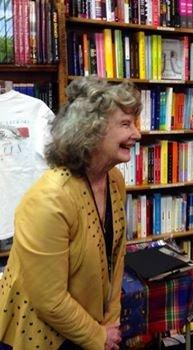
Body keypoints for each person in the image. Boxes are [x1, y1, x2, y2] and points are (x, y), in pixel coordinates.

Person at [0, 77, 142, 350]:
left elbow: (116, 258)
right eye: (126, 124)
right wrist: (97, 336)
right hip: (39, 335)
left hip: (89, 326)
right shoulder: (48, 199)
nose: (137, 134)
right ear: (92, 130)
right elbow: (49, 299)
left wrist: (108, 324)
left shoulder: (114, 181)